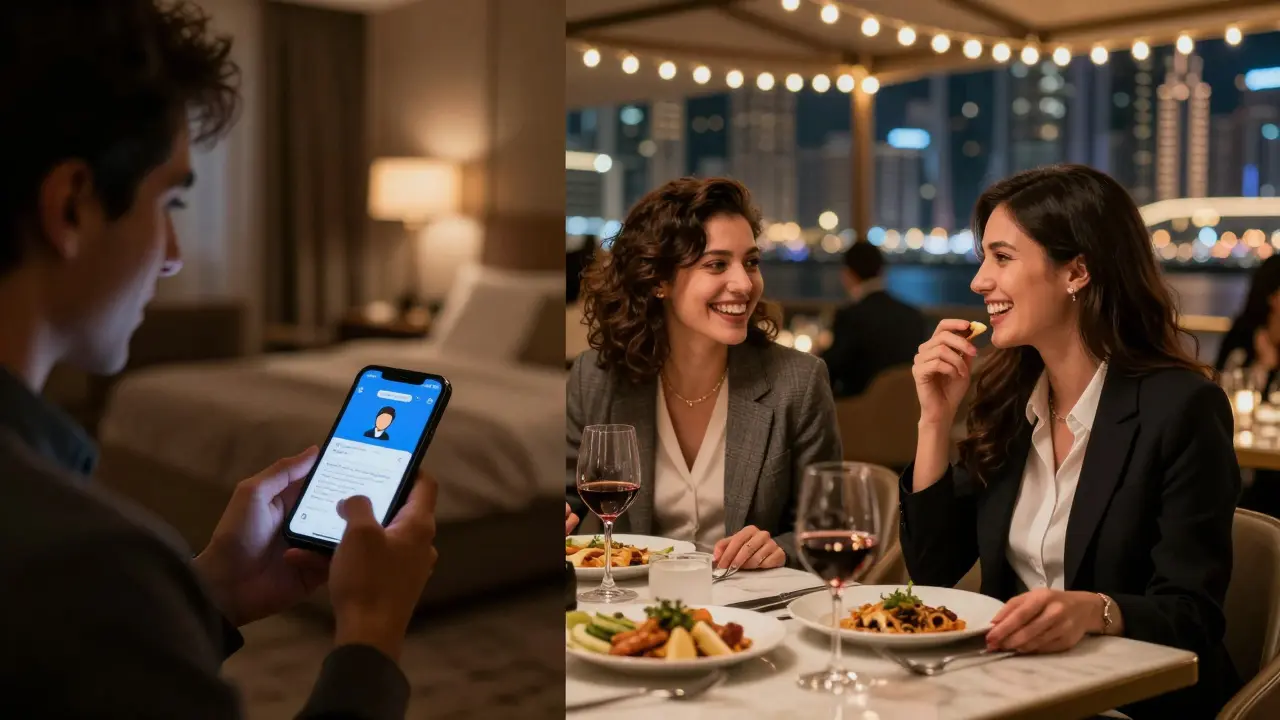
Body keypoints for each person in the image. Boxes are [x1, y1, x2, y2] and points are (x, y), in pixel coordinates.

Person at [0, 3, 439, 717]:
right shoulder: (80, 561)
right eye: (169, 201)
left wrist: (211, 594)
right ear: (72, 205)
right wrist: (371, 632)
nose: (173, 256)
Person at [900, 165, 1241, 719]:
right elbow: (933, 567)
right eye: (984, 257)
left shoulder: (1181, 409)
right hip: (1014, 691)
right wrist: (934, 420)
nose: (978, 281)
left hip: (1132, 703)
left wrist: (1094, 611)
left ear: (1076, 271)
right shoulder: (1012, 402)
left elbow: (1193, 616)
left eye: (1002, 258)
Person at [565, 176, 843, 570]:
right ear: (659, 280)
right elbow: (570, 502)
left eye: (750, 262)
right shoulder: (594, 378)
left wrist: (782, 548)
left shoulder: (798, 381)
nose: (744, 283)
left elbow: (828, 530)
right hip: (633, 608)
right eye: (716, 264)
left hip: (752, 614)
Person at [821, 240, 928, 398]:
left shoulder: (851, 316)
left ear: (847, 274)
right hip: (908, 407)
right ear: (881, 271)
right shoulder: (913, 314)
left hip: (859, 411)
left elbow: (829, 372)